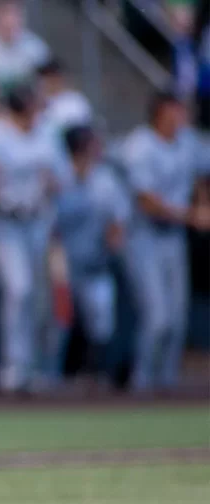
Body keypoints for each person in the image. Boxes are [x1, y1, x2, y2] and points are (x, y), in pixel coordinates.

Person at [0, 83, 62, 393]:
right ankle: (13, 366)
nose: (35, 114)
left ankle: (35, 367)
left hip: (36, 220)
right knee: (19, 289)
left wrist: (48, 187)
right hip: (3, 220)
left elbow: (61, 178)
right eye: (30, 108)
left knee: (38, 295)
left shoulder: (47, 134)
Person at [119, 92, 210, 392]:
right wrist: (191, 214)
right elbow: (147, 201)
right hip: (145, 236)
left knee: (178, 318)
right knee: (157, 317)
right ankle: (142, 385)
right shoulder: (140, 145)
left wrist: (202, 203)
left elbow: (202, 174)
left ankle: (167, 386)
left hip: (174, 238)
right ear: (159, 113)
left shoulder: (187, 141)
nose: (181, 118)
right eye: (175, 112)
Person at [53, 125, 128, 386]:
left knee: (100, 320)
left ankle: (94, 376)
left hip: (95, 263)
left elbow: (117, 224)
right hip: (59, 265)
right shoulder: (58, 177)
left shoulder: (105, 179)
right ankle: (53, 378)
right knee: (58, 324)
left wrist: (114, 240)